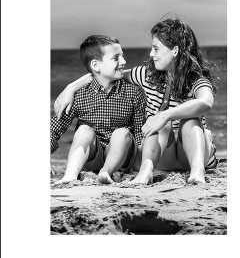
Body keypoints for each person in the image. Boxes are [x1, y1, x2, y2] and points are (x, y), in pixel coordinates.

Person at [54, 16, 219, 185]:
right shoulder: (146, 75)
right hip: (163, 156)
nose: (151, 54)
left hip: (196, 154)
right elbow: (105, 73)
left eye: (156, 48)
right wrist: (72, 87)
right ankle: (146, 171)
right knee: (159, 121)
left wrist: (166, 115)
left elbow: (205, 102)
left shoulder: (196, 80)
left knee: (189, 120)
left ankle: (197, 172)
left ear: (175, 51)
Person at [51, 35, 147, 185]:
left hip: (122, 159)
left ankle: (105, 173)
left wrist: (140, 168)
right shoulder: (79, 95)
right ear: (96, 65)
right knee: (83, 130)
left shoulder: (133, 93)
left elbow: (140, 134)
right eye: (116, 58)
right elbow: (54, 129)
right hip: (92, 157)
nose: (123, 62)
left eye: (123, 56)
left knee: (122, 132)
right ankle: (70, 175)